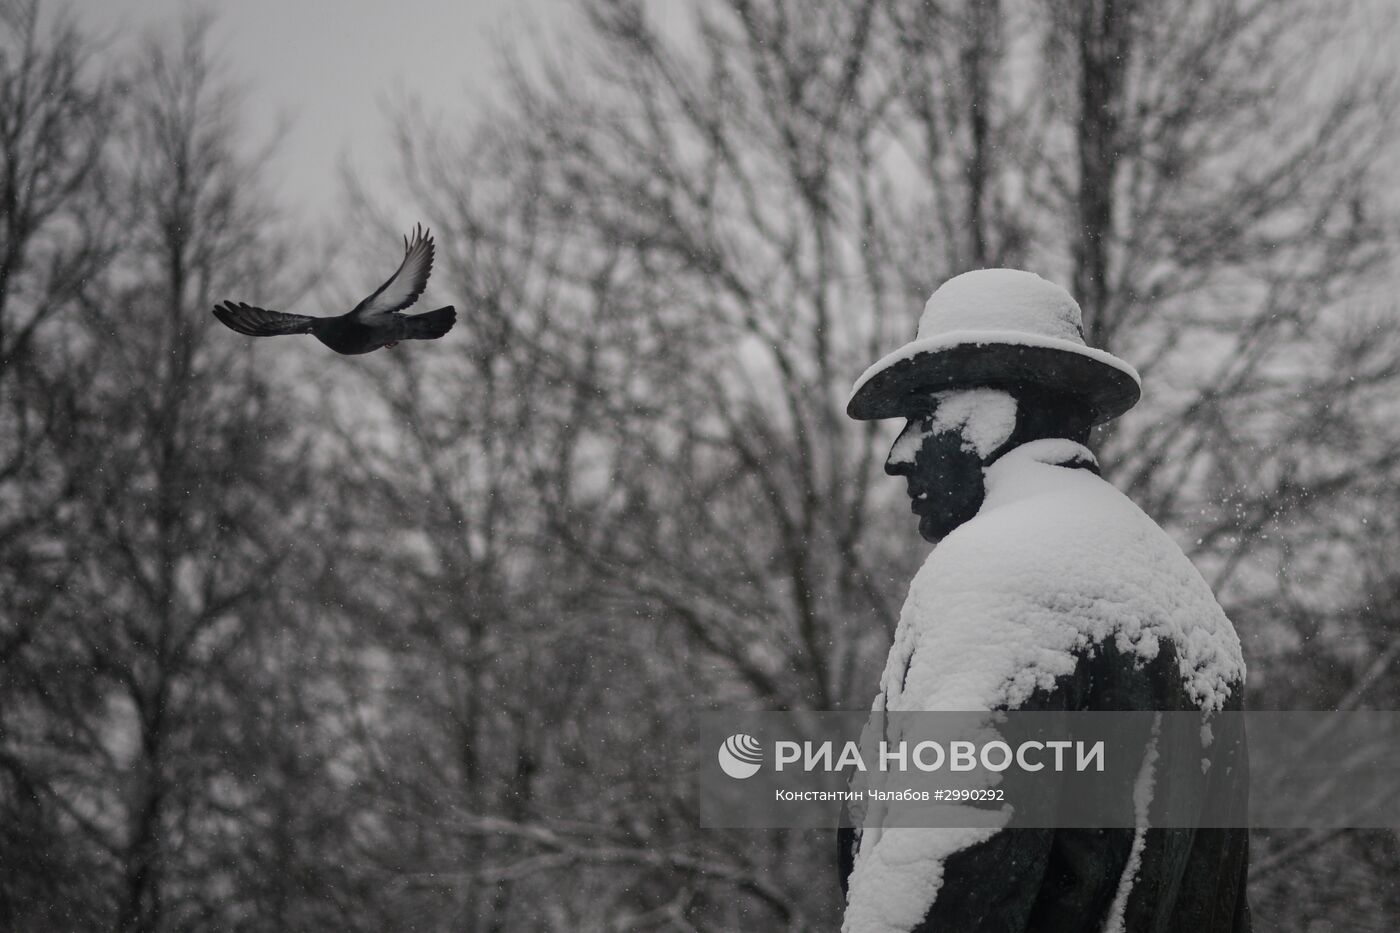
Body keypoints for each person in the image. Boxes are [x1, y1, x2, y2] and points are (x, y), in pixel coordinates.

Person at [838, 270, 1250, 933]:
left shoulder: (998, 573)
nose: (899, 454)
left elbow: (944, 877)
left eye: (923, 416)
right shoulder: (1197, 613)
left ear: (994, 418)